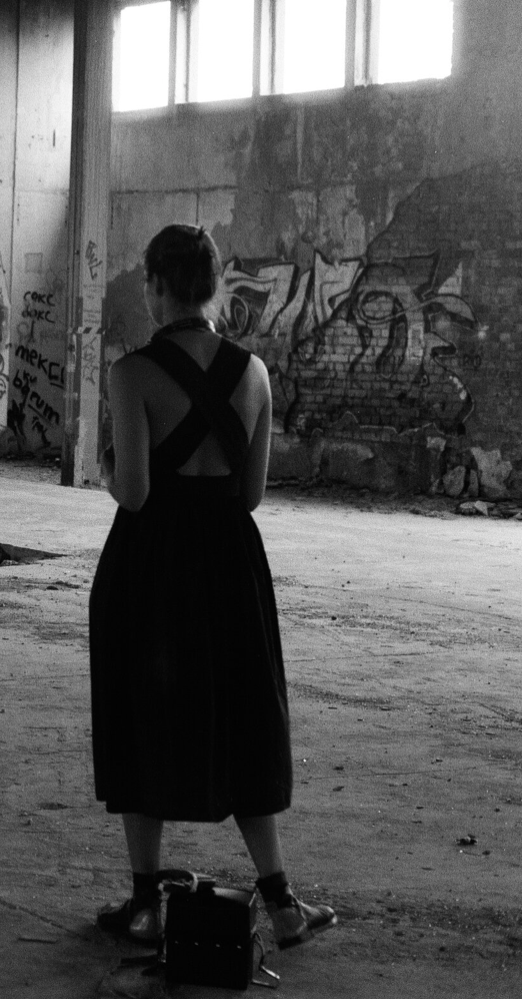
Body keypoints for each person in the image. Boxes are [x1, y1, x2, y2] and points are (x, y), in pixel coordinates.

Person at [88, 224, 337, 951]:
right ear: (215, 287)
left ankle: (146, 905)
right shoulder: (253, 373)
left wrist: (108, 468)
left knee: (141, 714)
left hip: (151, 564)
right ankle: (280, 902)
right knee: (244, 716)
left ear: (156, 287)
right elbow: (250, 494)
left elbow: (135, 494)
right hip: (230, 563)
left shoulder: (131, 373)